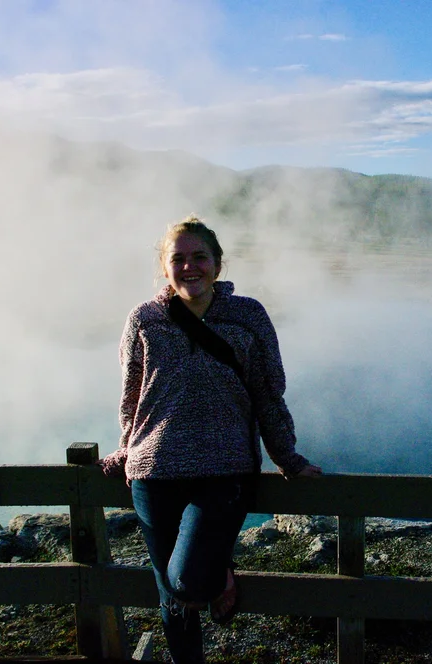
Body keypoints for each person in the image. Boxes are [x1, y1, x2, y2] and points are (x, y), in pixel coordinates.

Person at [100, 214, 322, 664]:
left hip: (225, 470)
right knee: (171, 597)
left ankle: (217, 573)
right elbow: (131, 395)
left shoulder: (248, 315)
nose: (189, 267)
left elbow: (268, 393)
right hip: (153, 471)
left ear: (218, 265)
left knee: (186, 582)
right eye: (177, 258)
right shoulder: (143, 319)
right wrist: (127, 448)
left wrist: (287, 457)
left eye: (200, 257)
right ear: (164, 267)